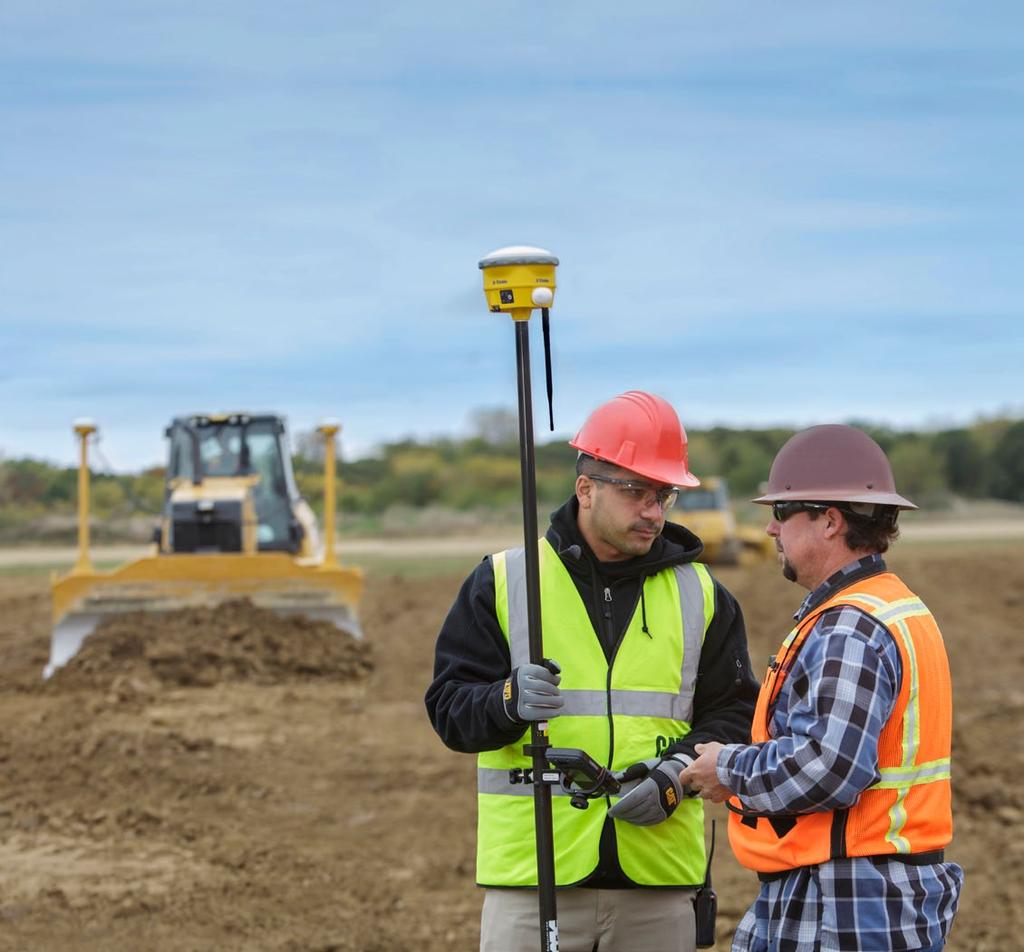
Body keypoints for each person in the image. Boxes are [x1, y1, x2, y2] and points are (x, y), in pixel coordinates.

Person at [425, 391, 758, 952]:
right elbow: (449, 710)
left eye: (664, 495)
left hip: (658, 877)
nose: (653, 511)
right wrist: (505, 703)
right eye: (636, 492)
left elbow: (737, 712)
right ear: (586, 488)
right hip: (535, 879)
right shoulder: (505, 582)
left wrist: (675, 776)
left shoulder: (703, 594)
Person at [680, 425, 963, 952]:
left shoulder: (851, 626)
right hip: (859, 889)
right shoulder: (887, 605)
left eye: (782, 513)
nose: (769, 528)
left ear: (831, 521)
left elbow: (830, 766)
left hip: (850, 900)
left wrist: (726, 767)